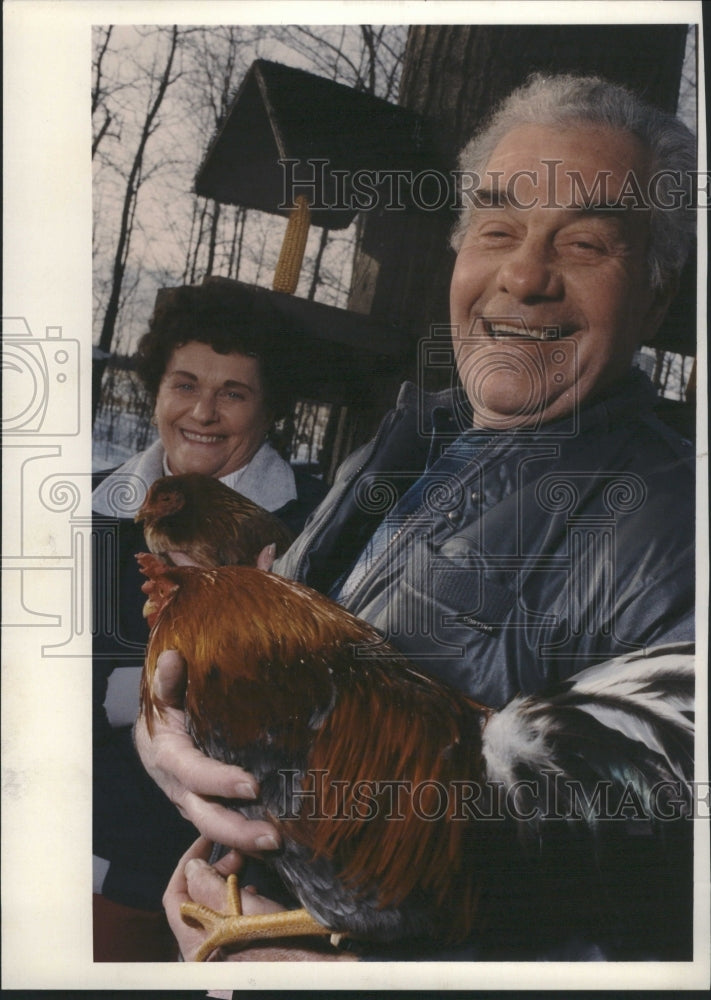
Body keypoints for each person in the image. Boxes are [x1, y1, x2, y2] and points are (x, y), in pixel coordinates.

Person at [137, 74, 697, 960]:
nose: (522, 274)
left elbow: (663, 919)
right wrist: (174, 735)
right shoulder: (400, 445)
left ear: (655, 298)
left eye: (585, 243)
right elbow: (280, 679)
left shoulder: (677, 525)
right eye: (496, 230)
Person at [92, 278, 326, 960]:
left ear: (269, 409)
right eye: (184, 383)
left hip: (248, 883)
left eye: (233, 392)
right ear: (155, 390)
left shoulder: (310, 528)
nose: (203, 411)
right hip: (95, 859)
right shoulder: (91, 506)